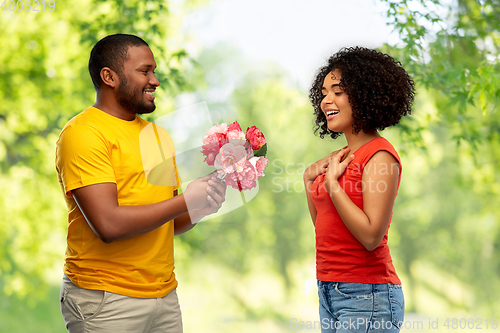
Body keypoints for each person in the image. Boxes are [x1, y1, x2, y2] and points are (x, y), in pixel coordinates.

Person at [56, 33, 226, 333]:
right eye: (144, 71)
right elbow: (108, 225)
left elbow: (168, 222)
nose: (155, 80)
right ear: (109, 76)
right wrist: (185, 199)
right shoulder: (83, 134)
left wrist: (201, 205)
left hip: (164, 297)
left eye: (154, 71)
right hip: (106, 300)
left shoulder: (157, 137)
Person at [304, 47, 415, 333]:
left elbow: (369, 236)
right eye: (324, 92)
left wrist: (332, 186)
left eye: (337, 91)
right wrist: (308, 181)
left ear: (364, 94)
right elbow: (326, 229)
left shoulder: (379, 156)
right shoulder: (339, 157)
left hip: (367, 295)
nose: (326, 100)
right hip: (330, 288)